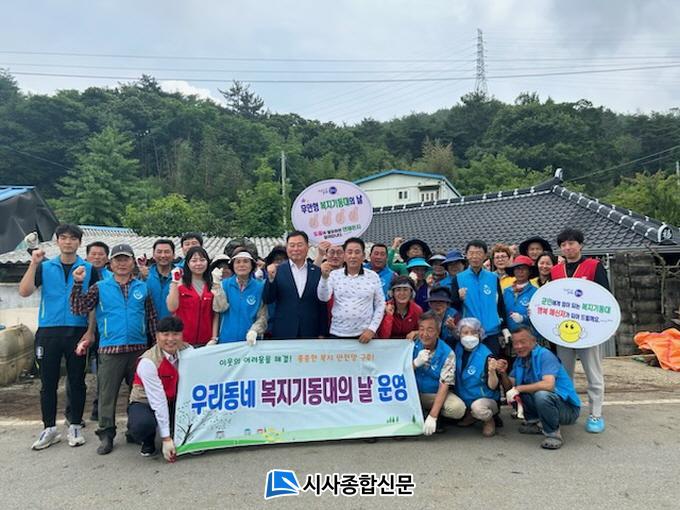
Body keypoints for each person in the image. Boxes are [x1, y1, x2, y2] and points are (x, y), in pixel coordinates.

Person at [70, 243, 158, 455]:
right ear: (111, 263)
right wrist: (77, 283)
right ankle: (106, 434)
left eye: (126, 259)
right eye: (118, 259)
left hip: (138, 350)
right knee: (107, 396)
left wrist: (155, 347)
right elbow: (79, 308)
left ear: (133, 262)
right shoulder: (100, 287)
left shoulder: (142, 288)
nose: (122, 263)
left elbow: (152, 318)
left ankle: (134, 431)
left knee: (138, 395)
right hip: (110, 350)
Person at [18, 224, 97, 450]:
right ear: (57, 241)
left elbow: (93, 303)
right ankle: (49, 428)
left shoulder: (89, 268)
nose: (68, 242)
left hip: (77, 330)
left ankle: (75, 426)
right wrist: (34, 263)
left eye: (73, 238)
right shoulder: (44, 266)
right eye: (64, 238)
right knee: (48, 382)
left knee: (77, 380)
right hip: (48, 331)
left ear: (79, 242)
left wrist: (90, 331)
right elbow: (24, 291)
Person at [551, 228, 609, 434]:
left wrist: (604, 326)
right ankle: (569, 411)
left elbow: (605, 298)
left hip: (589, 331)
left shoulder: (593, 266)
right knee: (564, 374)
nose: (567, 248)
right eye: (563, 245)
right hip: (563, 331)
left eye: (571, 243)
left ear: (580, 245)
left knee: (593, 373)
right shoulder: (555, 271)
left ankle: (596, 414)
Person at [496, 327, 581, 449]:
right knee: (518, 393)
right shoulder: (520, 360)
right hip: (550, 402)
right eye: (515, 343)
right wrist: (503, 373)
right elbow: (510, 387)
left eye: (523, 342)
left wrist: (519, 388)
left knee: (541, 394)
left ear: (533, 340)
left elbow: (549, 385)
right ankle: (534, 423)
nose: (519, 346)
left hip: (568, 409)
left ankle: (553, 434)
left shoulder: (545, 355)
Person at [127, 316, 191, 460]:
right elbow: (158, 400)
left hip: (174, 399)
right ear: (157, 336)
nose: (171, 339)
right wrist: (166, 439)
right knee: (142, 425)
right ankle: (148, 440)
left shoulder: (188, 350)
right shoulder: (148, 362)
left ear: (182, 335)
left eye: (175, 334)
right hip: (146, 401)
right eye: (166, 334)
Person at [450, 240, 510, 356]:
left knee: (492, 364)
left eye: (478, 253)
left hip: (492, 332)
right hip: (470, 333)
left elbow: (500, 304)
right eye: (471, 253)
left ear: (485, 256)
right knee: (472, 364)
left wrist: (504, 327)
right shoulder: (458, 278)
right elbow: (453, 306)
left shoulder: (493, 278)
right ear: (467, 255)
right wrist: (459, 298)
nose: (475, 257)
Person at [318, 237, 385, 342]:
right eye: (349, 252)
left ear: (363, 256)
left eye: (357, 252)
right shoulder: (334, 275)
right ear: (344, 256)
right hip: (337, 333)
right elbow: (323, 298)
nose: (353, 256)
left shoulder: (373, 276)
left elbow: (380, 304)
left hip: (364, 335)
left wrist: (372, 329)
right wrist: (324, 278)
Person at [263, 231, 328, 338]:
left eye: (299, 245)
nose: (296, 249)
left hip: (311, 331)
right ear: (287, 248)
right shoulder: (278, 271)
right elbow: (268, 299)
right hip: (284, 331)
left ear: (307, 247)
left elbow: (322, 304)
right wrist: (270, 279)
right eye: (292, 245)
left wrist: (322, 332)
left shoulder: (317, 272)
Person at [412, 311, 466, 435]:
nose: (425, 334)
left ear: (438, 331)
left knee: (457, 409)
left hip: (433, 394)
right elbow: (399, 371)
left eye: (430, 330)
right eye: (421, 329)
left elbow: (444, 385)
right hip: (411, 393)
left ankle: (433, 415)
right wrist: (415, 363)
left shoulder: (447, 353)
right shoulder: (412, 343)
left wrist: (433, 416)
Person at [454, 318, 500, 437]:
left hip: (485, 399)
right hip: (464, 396)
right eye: (465, 332)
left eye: (474, 332)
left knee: (478, 408)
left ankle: (489, 420)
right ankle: (470, 415)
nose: (469, 336)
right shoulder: (457, 349)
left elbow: (493, 386)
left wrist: (492, 371)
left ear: (480, 334)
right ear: (459, 334)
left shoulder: (486, 355)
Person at [212, 249, 267, 345]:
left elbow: (263, 316)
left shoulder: (260, 287)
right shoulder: (224, 285)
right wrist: (216, 286)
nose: (241, 265)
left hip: (251, 342)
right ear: (233, 266)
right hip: (226, 341)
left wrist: (254, 331)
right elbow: (220, 308)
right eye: (238, 262)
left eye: (246, 261)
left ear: (252, 265)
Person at [166, 246, 217, 347]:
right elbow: (172, 308)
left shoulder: (213, 284)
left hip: (206, 342)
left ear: (207, 262)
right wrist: (174, 282)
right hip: (183, 341)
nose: (198, 264)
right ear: (188, 263)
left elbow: (215, 314)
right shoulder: (179, 283)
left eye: (202, 260)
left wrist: (214, 338)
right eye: (194, 260)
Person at [140, 239, 176, 320]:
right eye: (159, 252)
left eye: (167, 252)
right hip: (149, 325)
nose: (163, 255)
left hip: (173, 326)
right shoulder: (144, 276)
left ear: (174, 255)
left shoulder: (180, 276)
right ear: (153, 255)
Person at [503, 255, 538, 333]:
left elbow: (538, 316)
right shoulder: (506, 291)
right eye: (517, 268)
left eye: (524, 269)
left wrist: (523, 318)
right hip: (508, 335)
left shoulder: (535, 292)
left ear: (530, 272)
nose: (520, 271)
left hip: (528, 335)